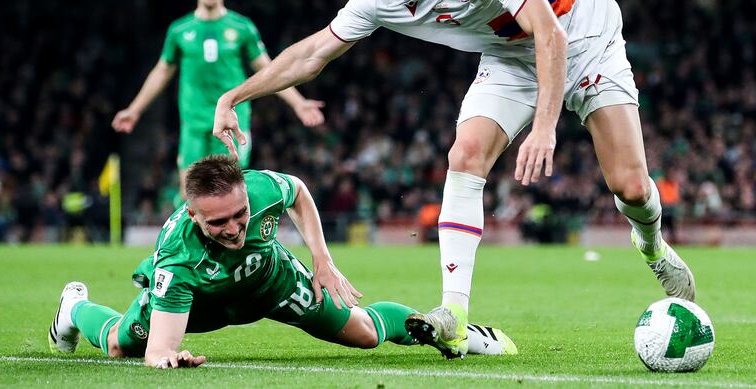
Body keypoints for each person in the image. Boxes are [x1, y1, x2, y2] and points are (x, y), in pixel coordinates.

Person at [210, 0, 696, 358]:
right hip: (510, 57)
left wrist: (545, 127)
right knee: (464, 155)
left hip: (583, 35)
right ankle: (454, 316)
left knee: (630, 186)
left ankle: (652, 246)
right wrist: (235, 95)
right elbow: (312, 54)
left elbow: (549, 33)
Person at [48, 155, 517, 366]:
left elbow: (297, 190)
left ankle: (453, 333)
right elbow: (160, 352)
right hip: (202, 304)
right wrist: (172, 357)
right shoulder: (176, 257)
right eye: (217, 224)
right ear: (191, 214)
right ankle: (72, 309)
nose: (233, 229)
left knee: (366, 334)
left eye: (239, 215)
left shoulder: (260, 187)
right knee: (117, 346)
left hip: (271, 281)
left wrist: (321, 258)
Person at [112, 0, 325, 195]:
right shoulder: (180, 30)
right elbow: (161, 71)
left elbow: (269, 70)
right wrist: (134, 109)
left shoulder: (242, 27)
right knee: (189, 194)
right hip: (194, 122)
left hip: (231, 120)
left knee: (226, 194)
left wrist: (298, 102)